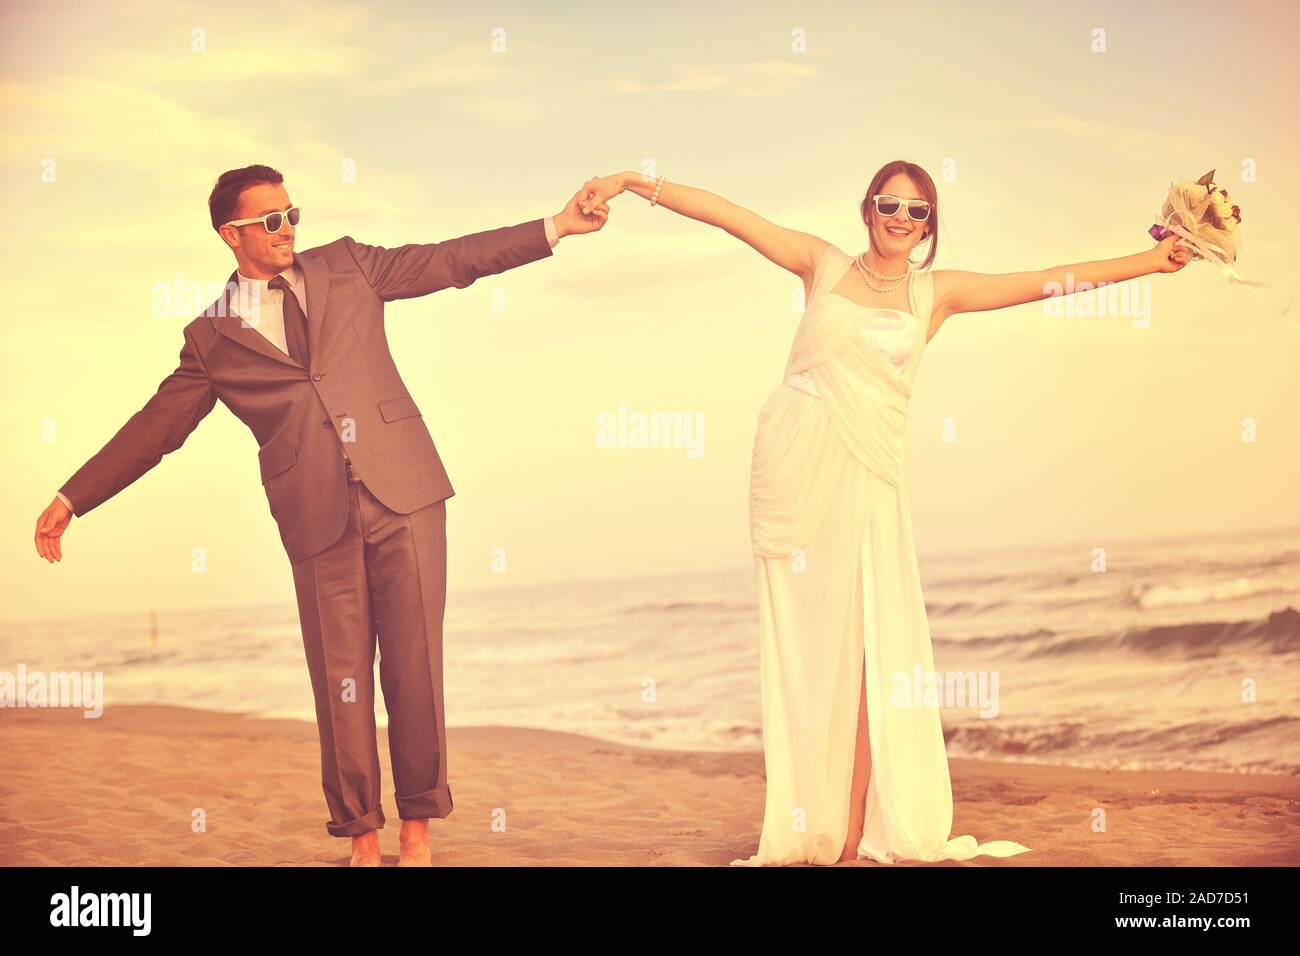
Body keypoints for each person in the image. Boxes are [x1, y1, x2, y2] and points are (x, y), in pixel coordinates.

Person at [577, 161, 1190, 865]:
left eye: (918, 211)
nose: (902, 218)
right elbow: (729, 214)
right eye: (891, 204)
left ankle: (846, 832)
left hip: (869, 478)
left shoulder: (937, 294)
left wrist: (1150, 261)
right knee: (811, 649)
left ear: (929, 225)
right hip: (796, 470)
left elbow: (1047, 280)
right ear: (867, 209)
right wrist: (631, 182)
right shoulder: (820, 264)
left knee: (868, 651)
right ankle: (812, 815)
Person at [33, 164, 611, 867]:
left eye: (291, 214)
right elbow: (157, 428)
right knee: (339, 680)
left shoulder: (349, 264)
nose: (288, 230)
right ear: (231, 234)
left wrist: (556, 227)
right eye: (270, 220)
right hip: (315, 515)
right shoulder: (210, 337)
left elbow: (450, 260)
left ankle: (419, 833)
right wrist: (73, 496)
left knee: (415, 668)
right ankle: (363, 838)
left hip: (406, 490)